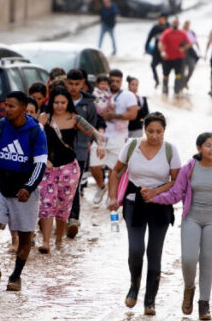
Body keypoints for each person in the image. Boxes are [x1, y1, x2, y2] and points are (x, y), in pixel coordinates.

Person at [150, 132, 212, 320]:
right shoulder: (189, 169)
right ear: (199, 148)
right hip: (191, 218)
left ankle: (204, 304)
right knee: (189, 259)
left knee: (207, 261)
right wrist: (154, 197)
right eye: (208, 145)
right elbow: (175, 194)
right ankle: (189, 288)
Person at [108, 113, 182, 315]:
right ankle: (134, 286)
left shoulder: (170, 150)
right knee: (135, 249)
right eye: (150, 131)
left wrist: (156, 192)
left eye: (159, 131)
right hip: (134, 203)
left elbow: (177, 180)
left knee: (154, 253)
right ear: (144, 130)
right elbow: (115, 171)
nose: (154, 135)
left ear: (164, 131)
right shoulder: (132, 146)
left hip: (160, 205)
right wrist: (113, 197)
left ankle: (150, 300)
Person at [0, 91, 48, 291]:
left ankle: (16, 275)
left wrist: (28, 188)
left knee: (25, 236)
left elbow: (40, 165)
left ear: (23, 108)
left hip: (25, 192)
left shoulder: (36, 132)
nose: (6, 109)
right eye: (5, 105)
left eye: (11, 106)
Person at [36, 89, 105, 253]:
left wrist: (100, 145)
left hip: (69, 168)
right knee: (46, 203)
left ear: (68, 103)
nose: (59, 106)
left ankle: (58, 241)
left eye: (63, 102)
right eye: (56, 102)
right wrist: (42, 158)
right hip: (48, 168)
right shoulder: (44, 118)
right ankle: (46, 242)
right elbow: (34, 140)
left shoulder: (75, 119)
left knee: (63, 205)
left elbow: (93, 132)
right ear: (51, 103)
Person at [64, 68, 105, 239]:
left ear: (83, 84)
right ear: (66, 83)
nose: (73, 87)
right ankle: (57, 218)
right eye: (70, 84)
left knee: (74, 186)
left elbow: (92, 127)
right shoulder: (60, 100)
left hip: (79, 152)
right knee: (58, 186)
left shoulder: (89, 104)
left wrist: (98, 144)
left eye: (77, 84)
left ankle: (73, 218)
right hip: (58, 153)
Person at [98, 70, 140, 205]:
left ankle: (111, 196)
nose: (114, 83)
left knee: (113, 169)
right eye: (112, 81)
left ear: (122, 82)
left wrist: (114, 116)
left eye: (118, 81)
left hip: (118, 137)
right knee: (94, 166)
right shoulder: (101, 93)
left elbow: (133, 114)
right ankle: (100, 186)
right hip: (100, 135)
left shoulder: (128, 96)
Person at [158, 17, 190, 96]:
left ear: (178, 24)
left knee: (178, 74)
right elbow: (160, 43)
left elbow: (189, 43)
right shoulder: (167, 32)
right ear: (172, 23)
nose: (175, 24)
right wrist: (162, 52)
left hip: (178, 58)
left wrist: (183, 48)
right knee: (165, 74)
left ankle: (177, 90)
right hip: (167, 58)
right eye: (174, 23)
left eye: (176, 23)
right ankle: (165, 89)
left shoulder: (182, 33)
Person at [145, 14, 170, 89]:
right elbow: (149, 37)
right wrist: (146, 48)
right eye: (159, 18)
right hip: (156, 51)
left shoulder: (169, 27)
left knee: (165, 69)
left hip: (166, 51)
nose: (159, 20)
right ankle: (156, 80)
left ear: (165, 19)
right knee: (153, 65)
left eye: (161, 19)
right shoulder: (155, 27)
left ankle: (165, 85)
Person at [182, 20, 201, 90]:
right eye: (186, 24)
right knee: (181, 70)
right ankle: (182, 83)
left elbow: (196, 42)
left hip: (190, 52)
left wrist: (200, 52)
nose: (187, 25)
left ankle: (185, 82)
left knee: (192, 68)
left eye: (188, 24)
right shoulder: (181, 32)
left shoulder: (192, 32)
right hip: (182, 52)